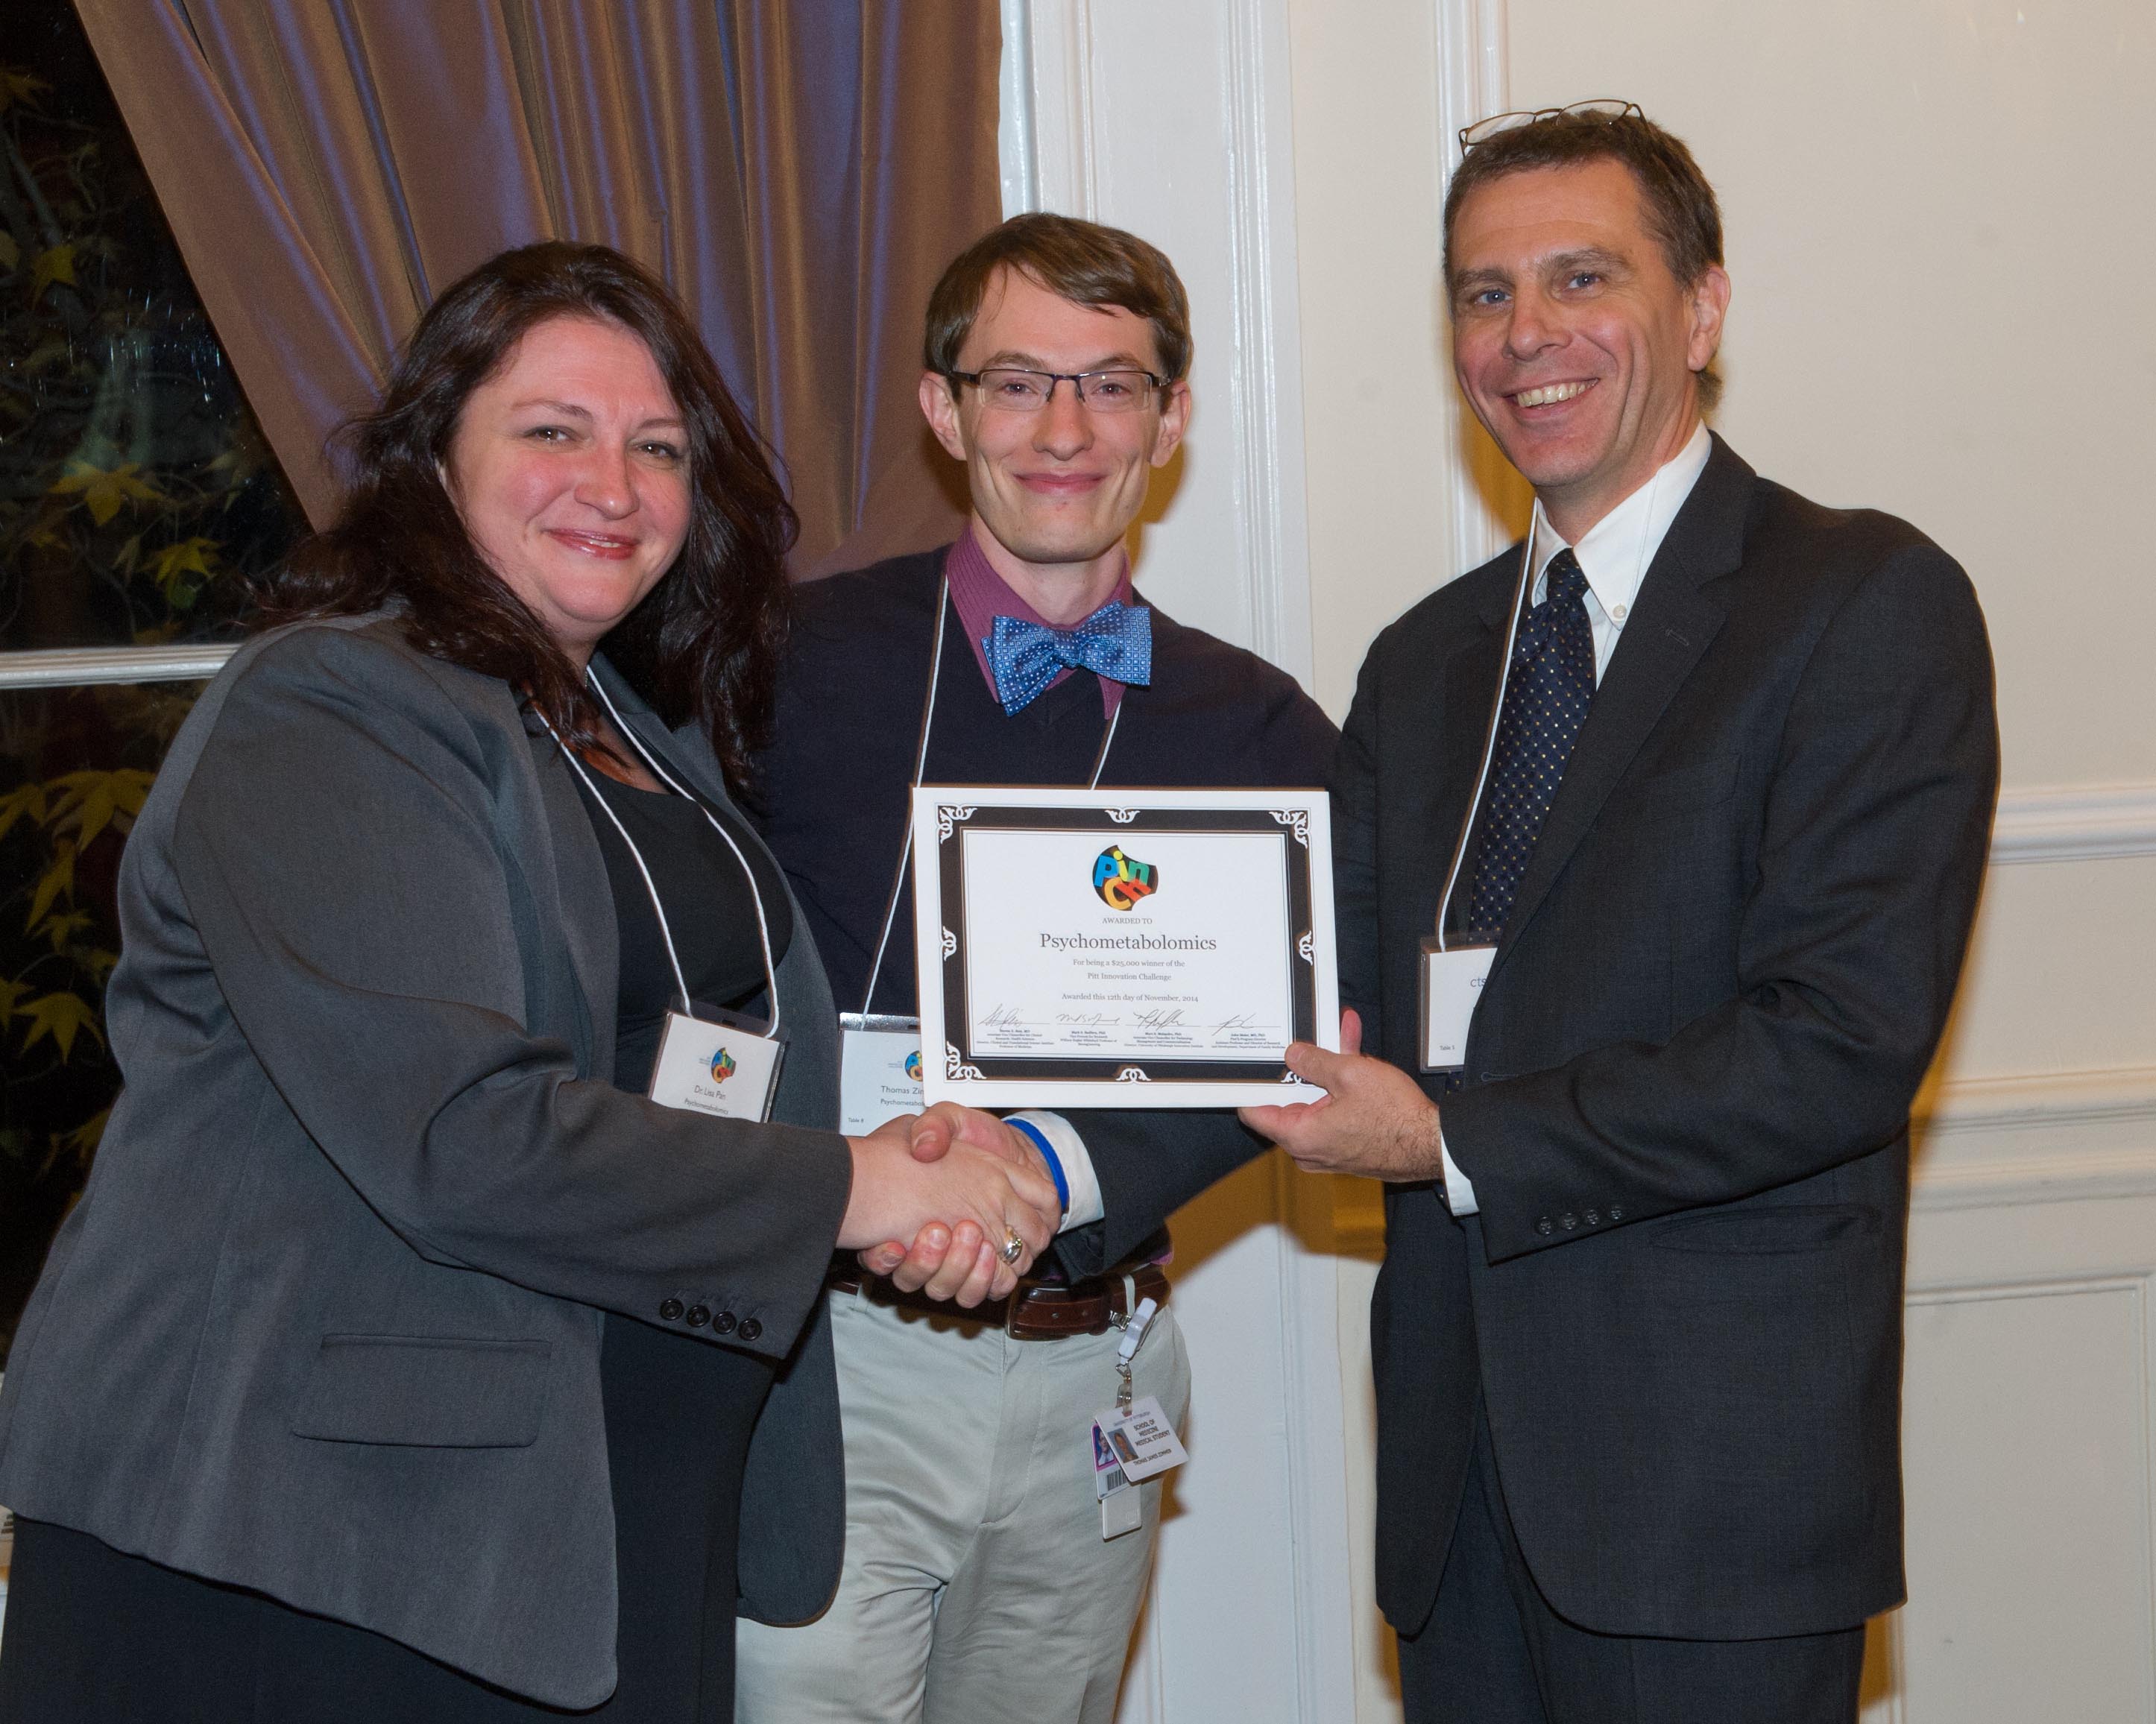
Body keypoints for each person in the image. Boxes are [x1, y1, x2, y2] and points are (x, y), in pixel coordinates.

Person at [0, 241, 1059, 1724]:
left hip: (604, 1521)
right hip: (320, 1542)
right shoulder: (330, 706)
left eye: (657, 447)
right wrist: (853, 1189)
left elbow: (706, 1070)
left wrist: (915, 1162)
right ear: (435, 458)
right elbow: (456, 1131)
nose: (612, 486)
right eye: (552, 430)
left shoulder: (625, 727)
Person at [1243, 106, 1998, 1723]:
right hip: (1460, 1489)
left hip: (1708, 1496)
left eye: (1583, 277)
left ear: (1704, 308)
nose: (1526, 336)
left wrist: (1446, 1137)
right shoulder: (1426, 661)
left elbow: (1837, 1045)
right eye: (1483, 292)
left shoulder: (1862, 600)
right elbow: (1318, 1000)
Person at [736, 212, 1338, 1723]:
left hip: (1096, 1368)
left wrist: (1047, 1165)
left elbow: (1306, 1040)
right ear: (945, 411)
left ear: (1173, 416)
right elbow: (677, 965)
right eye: (1017, 383)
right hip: (825, 1361)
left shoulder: (1258, 729)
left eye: (1112, 384)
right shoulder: (778, 665)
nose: (1064, 431)